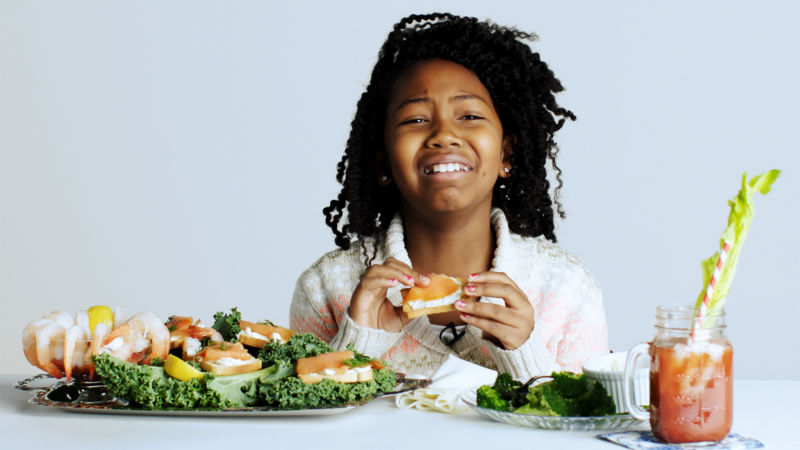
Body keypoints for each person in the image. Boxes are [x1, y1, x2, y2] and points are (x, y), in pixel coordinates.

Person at [290, 12, 609, 380]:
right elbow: (306, 432)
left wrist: (526, 357)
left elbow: (587, 431)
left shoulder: (567, 289)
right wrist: (358, 344)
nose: (444, 135)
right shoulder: (326, 289)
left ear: (506, 155)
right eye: (416, 120)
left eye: (470, 116)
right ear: (383, 162)